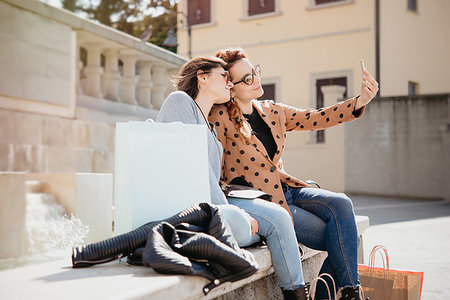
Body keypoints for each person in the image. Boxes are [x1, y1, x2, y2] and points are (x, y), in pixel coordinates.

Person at [209, 48, 379, 300]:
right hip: (264, 203)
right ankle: (342, 294)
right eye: (246, 78)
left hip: (288, 188)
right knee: (343, 238)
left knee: (342, 204)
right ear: (230, 87)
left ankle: (348, 293)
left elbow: (316, 117)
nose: (255, 79)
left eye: (254, 72)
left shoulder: (272, 110)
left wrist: (359, 101)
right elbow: (215, 170)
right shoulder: (220, 117)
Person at [156, 56, 310, 299]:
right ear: (202, 77)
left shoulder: (209, 126)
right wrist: (230, 211)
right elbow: (194, 169)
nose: (230, 84)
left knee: (278, 217)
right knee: (255, 224)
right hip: (189, 210)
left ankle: (296, 295)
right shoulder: (180, 102)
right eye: (224, 77)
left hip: (210, 205)